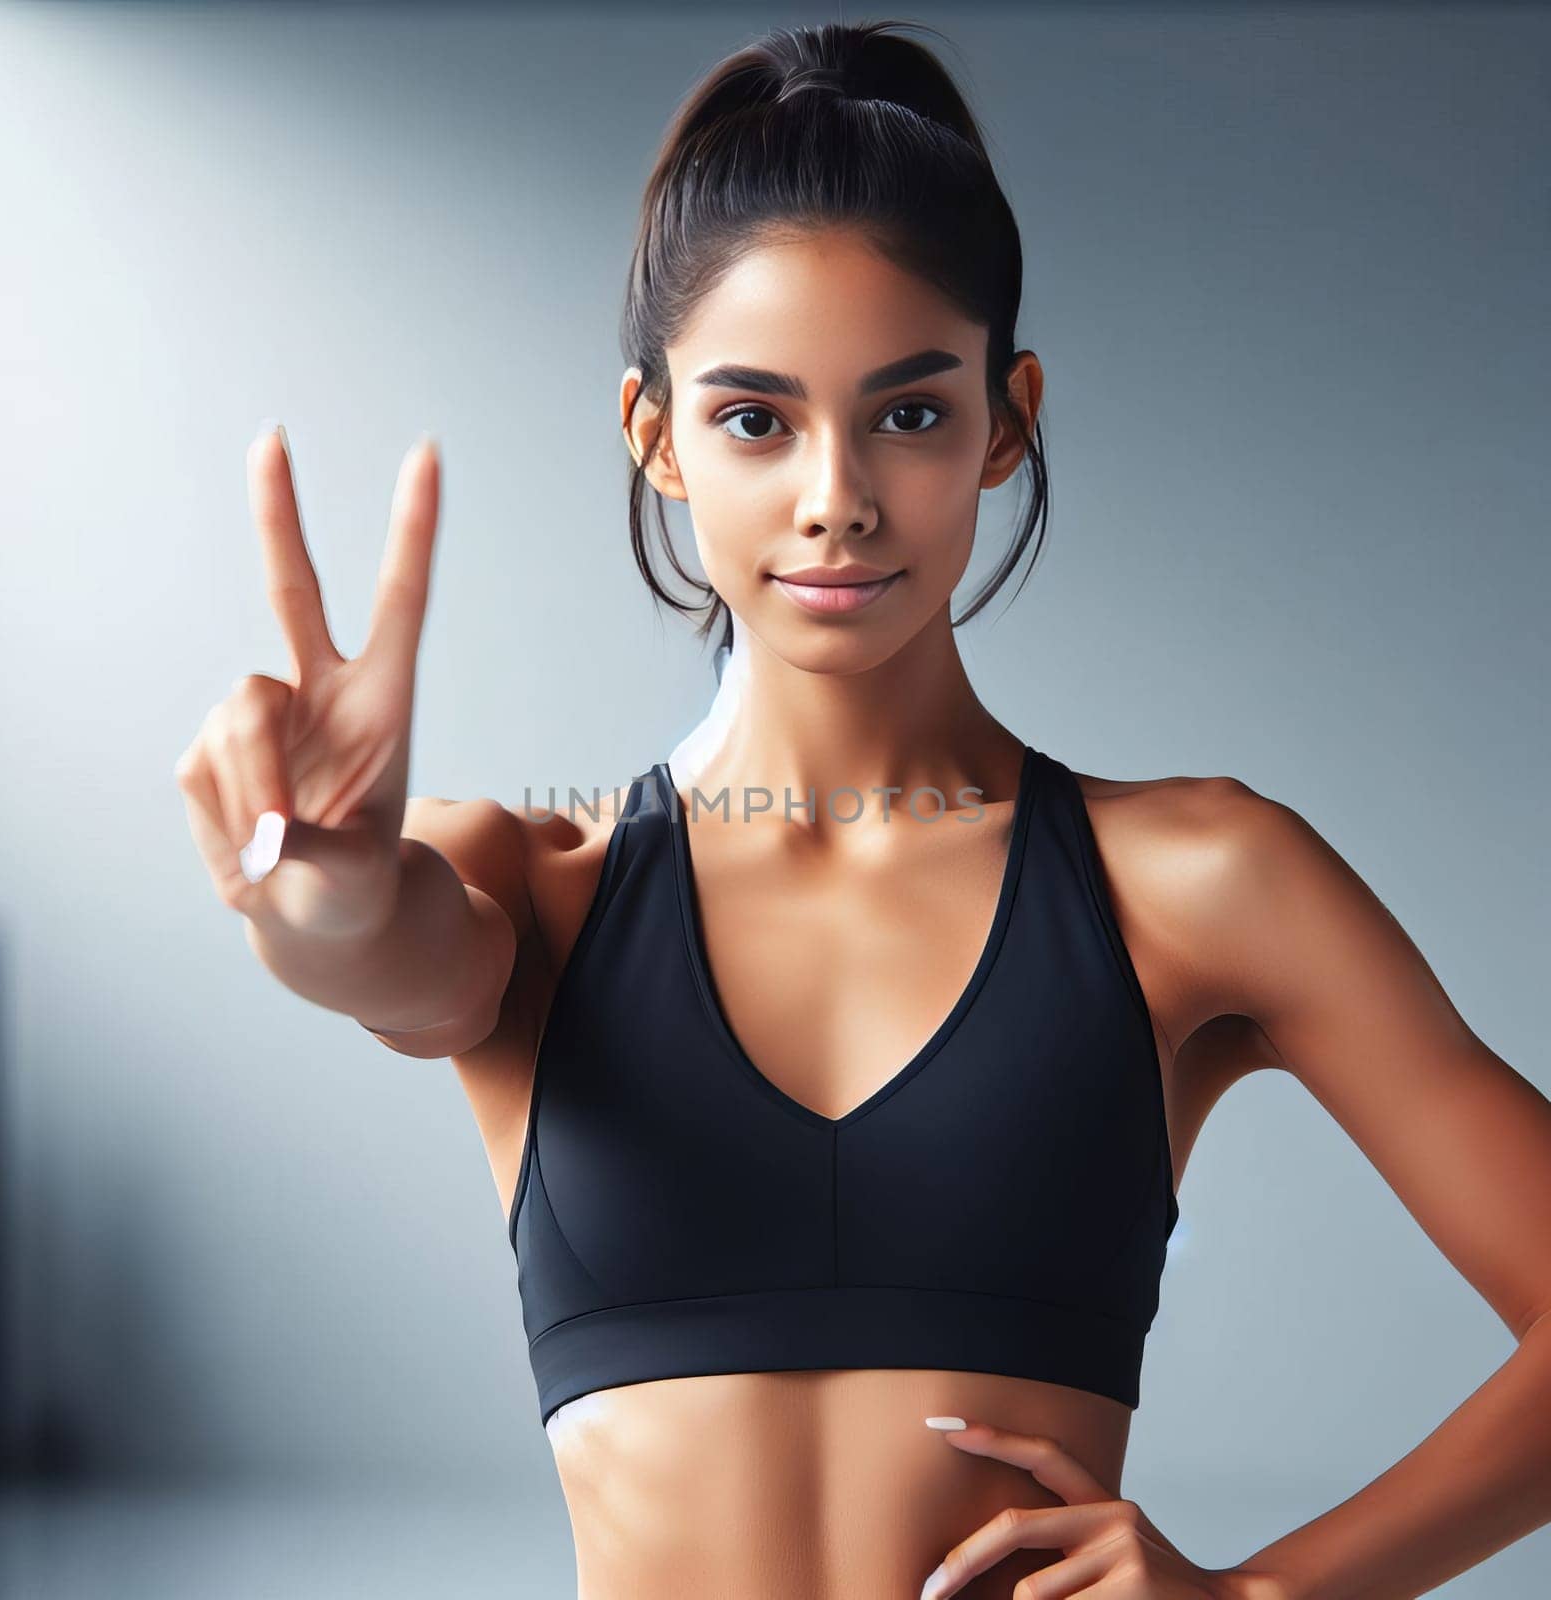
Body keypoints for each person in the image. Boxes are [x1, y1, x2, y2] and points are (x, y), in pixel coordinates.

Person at [174, 20, 1551, 1600]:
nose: (837, 492)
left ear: (1007, 417)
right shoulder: (536, 889)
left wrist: (1258, 1599)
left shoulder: (1197, 880)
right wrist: (312, 873)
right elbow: (387, 953)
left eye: (907, 411)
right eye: (756, 418)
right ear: (659, 436)